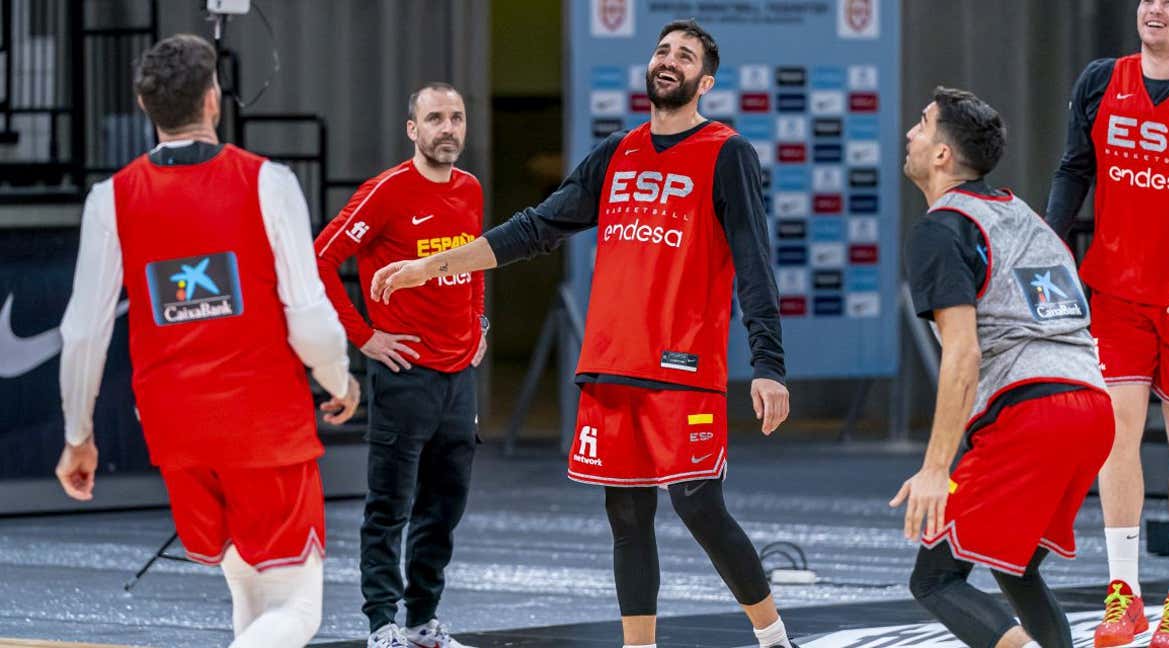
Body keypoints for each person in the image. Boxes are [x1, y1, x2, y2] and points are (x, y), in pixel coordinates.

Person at [371, 19, 794, 648]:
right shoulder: (616, 152)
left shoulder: (727, 152)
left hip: (682, 367)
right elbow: (534, 227)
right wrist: (432, 267)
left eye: (685, 54)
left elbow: (755, 264)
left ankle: (774, 639)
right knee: (626, 515)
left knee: (700, 505)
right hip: (611, 363)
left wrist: (768, 364)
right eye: (662, 50)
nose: (669, 59)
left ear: (704, 81)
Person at [54, 34, 359, 648]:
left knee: (249, 594)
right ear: (214, 100)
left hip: (176, 430)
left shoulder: (109, 199)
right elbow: (309, 317)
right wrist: (339, 378)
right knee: (297, 610)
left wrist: (78, 438)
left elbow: (83, 332)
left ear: (145, 106)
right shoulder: (268, 182)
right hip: (263, 424)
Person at [893, 87, 1114, 648]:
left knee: (936, 578)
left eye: (922, 124)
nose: (911, 134)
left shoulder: (942, 229)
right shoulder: (1025, 218)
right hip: (1092, 405)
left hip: (1034, 410)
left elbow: (962, 355)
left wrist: (935, 468)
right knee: (1015, 565)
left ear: (943, 154)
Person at [1046, 0, 1169, 644]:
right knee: (1117, 435)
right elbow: (1074, 167)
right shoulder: (1101, 79)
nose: (1153, 8)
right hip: (1114, 289)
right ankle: (1125, 594)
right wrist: (1048, 246)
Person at [313, 82, 485, 648]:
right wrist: (364, 337)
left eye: (456, 117)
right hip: (406, 374)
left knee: (444, 509)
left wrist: (478, 323)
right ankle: (381, 625)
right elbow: (320, 258)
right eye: (435, 118)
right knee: (390, 506)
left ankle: (421, 622)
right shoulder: (386, 192)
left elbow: (476, 261)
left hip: (460, 378)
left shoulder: (470, 189)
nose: (448, 128)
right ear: (413, 129)